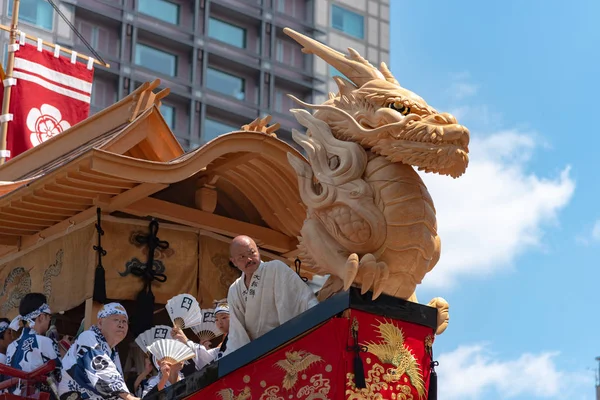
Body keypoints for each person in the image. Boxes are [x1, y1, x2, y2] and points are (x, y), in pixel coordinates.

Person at [226, 235, 318, 354]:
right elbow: (236, 331)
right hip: (257, 353)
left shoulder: (275, 268)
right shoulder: (234, 290)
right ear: (233, 261)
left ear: (258, 250)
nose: (249, 259)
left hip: (285, 342)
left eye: (251, 253)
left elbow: (303, 300)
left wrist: (318, 318)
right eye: (242, 257)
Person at [58, 303, 139, 400]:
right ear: (100, 323)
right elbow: (103, 371)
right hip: (74, 395)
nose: (121, 324)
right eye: (116, 320)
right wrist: (128, 397)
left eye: (124, 321)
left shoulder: (113, 351)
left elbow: (116, 379)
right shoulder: (88, 337)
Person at [5, 293, 61, 397]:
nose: (49, 320)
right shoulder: (44, 341)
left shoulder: (11, 346)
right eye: (49, 316)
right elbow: (60, 375)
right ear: (41, 317)